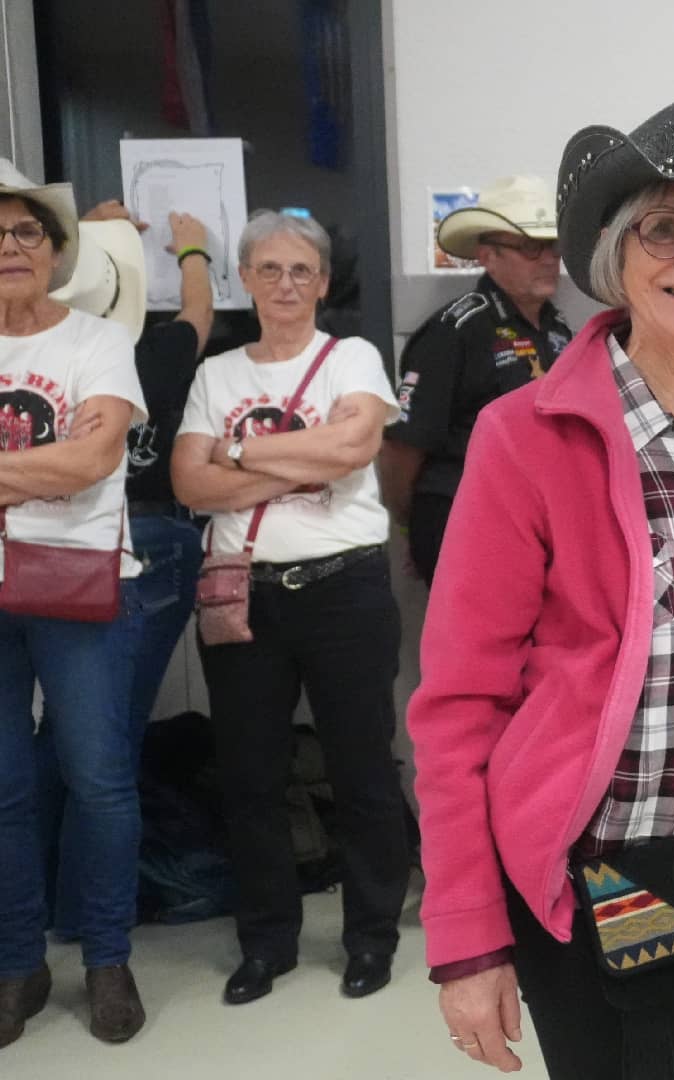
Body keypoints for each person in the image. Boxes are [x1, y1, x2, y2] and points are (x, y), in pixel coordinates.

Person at [410, 96, 674, 1080]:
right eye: (665, 226)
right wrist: (469, 939)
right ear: (616, 254)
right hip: (597, 890)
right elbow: (457, 707)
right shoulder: (523, 437)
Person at [171, 208, 411, 1006]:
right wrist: (299, 466)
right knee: (250, 778)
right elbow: (188, 486)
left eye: (300, 269)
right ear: (245, 278)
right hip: (245, 594)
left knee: (362, 769)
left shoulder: (353, 359)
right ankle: (265, 942)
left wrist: (236, 451)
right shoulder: (217, 373)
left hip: (345, 590)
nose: (285, 283)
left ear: (322, 280)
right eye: (269, 269)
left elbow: (350, 450)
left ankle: (370, 936)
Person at [35, 201, 214, 940]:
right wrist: (192, 250)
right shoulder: (158, 351)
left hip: (57, 542)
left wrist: (104, 232)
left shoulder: (49, 358)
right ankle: (78, 913)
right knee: (104, 744)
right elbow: (200, 311)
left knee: (64, 745)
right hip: (156, 542)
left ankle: (50, 904)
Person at [0, 161, 149, 1047]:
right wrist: (39, 470)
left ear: (55, 252)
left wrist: (60, 465)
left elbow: (92, 463)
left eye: (25, 233)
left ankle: (107, 958)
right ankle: (18, 963)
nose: (10, 248)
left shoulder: (97, 341)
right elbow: (61, 459)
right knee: (3, 789)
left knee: (99, 782)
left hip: (79, 580)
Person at [380, 175, 571, 581]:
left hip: (540, 520)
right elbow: (403, 448)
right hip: (464, 517)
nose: (549, 258)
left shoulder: (560, 330)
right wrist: (409, 526)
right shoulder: (455, 332)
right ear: (488, 256)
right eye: (530, 246)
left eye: (553, 246)